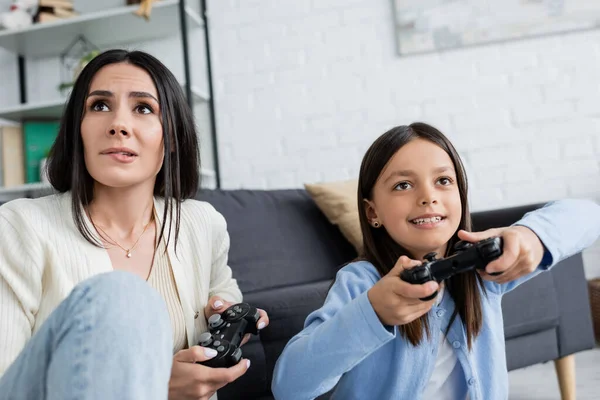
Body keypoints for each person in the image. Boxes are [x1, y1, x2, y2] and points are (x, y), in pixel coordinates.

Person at [0, 49, 269, 400]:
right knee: (124, 295)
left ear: (170, 137)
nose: (118, 124)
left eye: (143, 108)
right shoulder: (19, 227)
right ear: (77, 131)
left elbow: (222, 289)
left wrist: (224, 310)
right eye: (99, 106)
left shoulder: (203, 224)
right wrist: (156, 386)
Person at [271, 122, 600, 400]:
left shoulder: (482, 273)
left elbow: (589, 216)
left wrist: (533, 237)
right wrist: (372, 313)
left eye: (443, 181)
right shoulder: (361, 282)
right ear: (373, 212)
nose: (428, 196)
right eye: (403, 185)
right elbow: (290, 385)